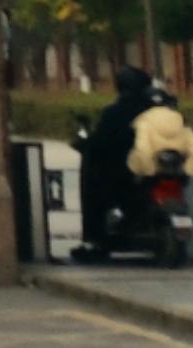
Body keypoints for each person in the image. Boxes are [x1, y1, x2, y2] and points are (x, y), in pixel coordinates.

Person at [69, 65, 161, 261]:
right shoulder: (158, 110)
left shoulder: (115, 112)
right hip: (155, 168)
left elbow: (102, 140)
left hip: (123, 173)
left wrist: (85, 144)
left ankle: (96, 240)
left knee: (94, 189)